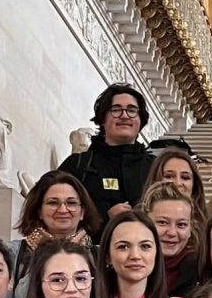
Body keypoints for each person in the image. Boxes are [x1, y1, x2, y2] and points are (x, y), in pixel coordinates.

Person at [59, 83, 156, 222]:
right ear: (102, 119)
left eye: (132, 110)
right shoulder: (77, 165)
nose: (124, 116)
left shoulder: (156, 168)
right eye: (116, 110)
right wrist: (104, 216)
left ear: (141, 120)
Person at [9, 170, 102, 298]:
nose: (63, 209)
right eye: (53, 203)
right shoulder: (13, 254)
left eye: (71, 203)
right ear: (39, 211)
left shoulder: (100, 257)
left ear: (82, 212)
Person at [143, 180, 201, 298]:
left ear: (190, 229)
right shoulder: (128, 265)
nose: (172, 233)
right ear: (144, 223)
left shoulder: (201, 270)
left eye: (181, 225)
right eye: (163, 222)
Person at [146, 147, 207, 228]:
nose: (178, 183)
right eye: (169, 176)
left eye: (185, 177)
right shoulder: (138, 225)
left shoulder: (208, 226)